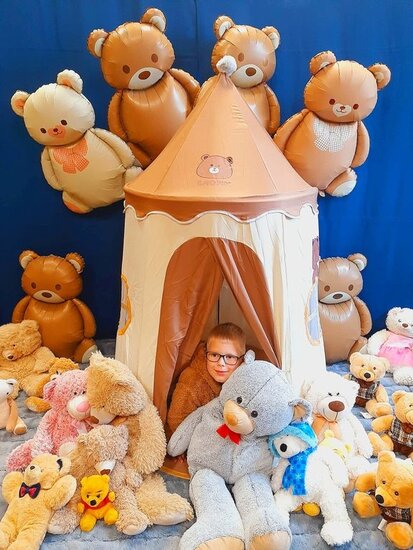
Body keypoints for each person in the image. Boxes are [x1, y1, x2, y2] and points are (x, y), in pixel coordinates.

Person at [166, 322, 247, 435]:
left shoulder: (244, 379)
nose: (221, 363)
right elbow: (175, 422)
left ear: (241, 360)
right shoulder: (192, 381)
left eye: (229, 357)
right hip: (190, 439)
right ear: (206, 354)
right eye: (214, 355)